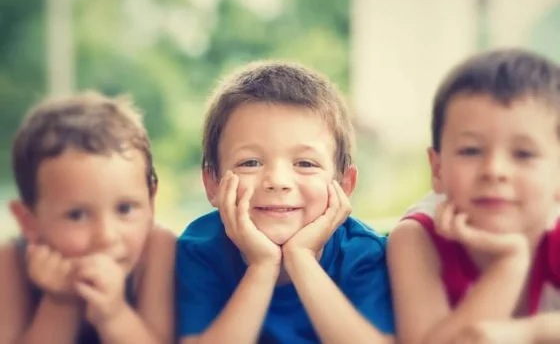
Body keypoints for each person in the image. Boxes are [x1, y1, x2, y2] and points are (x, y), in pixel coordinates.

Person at [176, 61, 395, 344]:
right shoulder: (199, 250)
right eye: (250, 162)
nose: (277, 181)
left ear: (344, 184)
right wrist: (262, 267)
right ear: (213, 184)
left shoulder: (362, 253)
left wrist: (301, 258)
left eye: (305, 163)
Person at [388, 49, 560, 344]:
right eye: (471, 150)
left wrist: (528, 333)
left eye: (523, 153)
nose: (494, 170)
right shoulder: (417, 238)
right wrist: (510, 261)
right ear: (438, 169)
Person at [0, 92, 176, 344]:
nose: (106, 236)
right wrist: (60, 303)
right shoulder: (12, 261)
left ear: (151, 201)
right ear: (29, 221)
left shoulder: (158, 249)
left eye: (125, 209)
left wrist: (114, 315)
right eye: (77, 215)